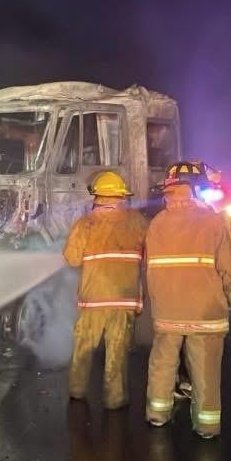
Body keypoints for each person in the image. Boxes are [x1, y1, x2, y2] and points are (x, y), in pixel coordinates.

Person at [144, 163, 231, 438]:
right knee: (205, 370)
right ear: (194, 188)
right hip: (206, 312)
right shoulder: (213, 221)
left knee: (163, 364)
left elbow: (151, 270)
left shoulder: (156, 224)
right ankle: (206, 425)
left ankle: (157, 413)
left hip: (167, 310)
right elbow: (229, 268)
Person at [63, 170, 149, 409]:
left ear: (96, 196)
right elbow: (150, 255)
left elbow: (71, 259)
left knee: (83, 347)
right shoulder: (138, 221)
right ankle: (115, 399)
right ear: (122, 196)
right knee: (117, 352)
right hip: (124, 299)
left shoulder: (86, 223)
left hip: (93, 299)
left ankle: (77, 391)